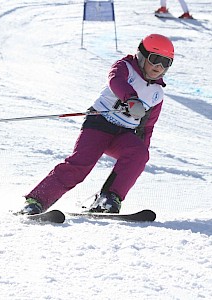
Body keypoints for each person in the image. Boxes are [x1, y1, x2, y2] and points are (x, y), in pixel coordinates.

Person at [19, 34, 175, 215]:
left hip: (123, 134)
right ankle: (36, 201)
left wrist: (140, 152)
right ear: (142, 55)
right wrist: (131, 99)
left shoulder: (157, 93)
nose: (159, 66)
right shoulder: (125, 67)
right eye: (155, 59)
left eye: (166, 62)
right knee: (81, 165)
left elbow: (147, 127)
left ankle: (108, 199)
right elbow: (115, 81)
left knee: (139, 153)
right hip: (99, 124)